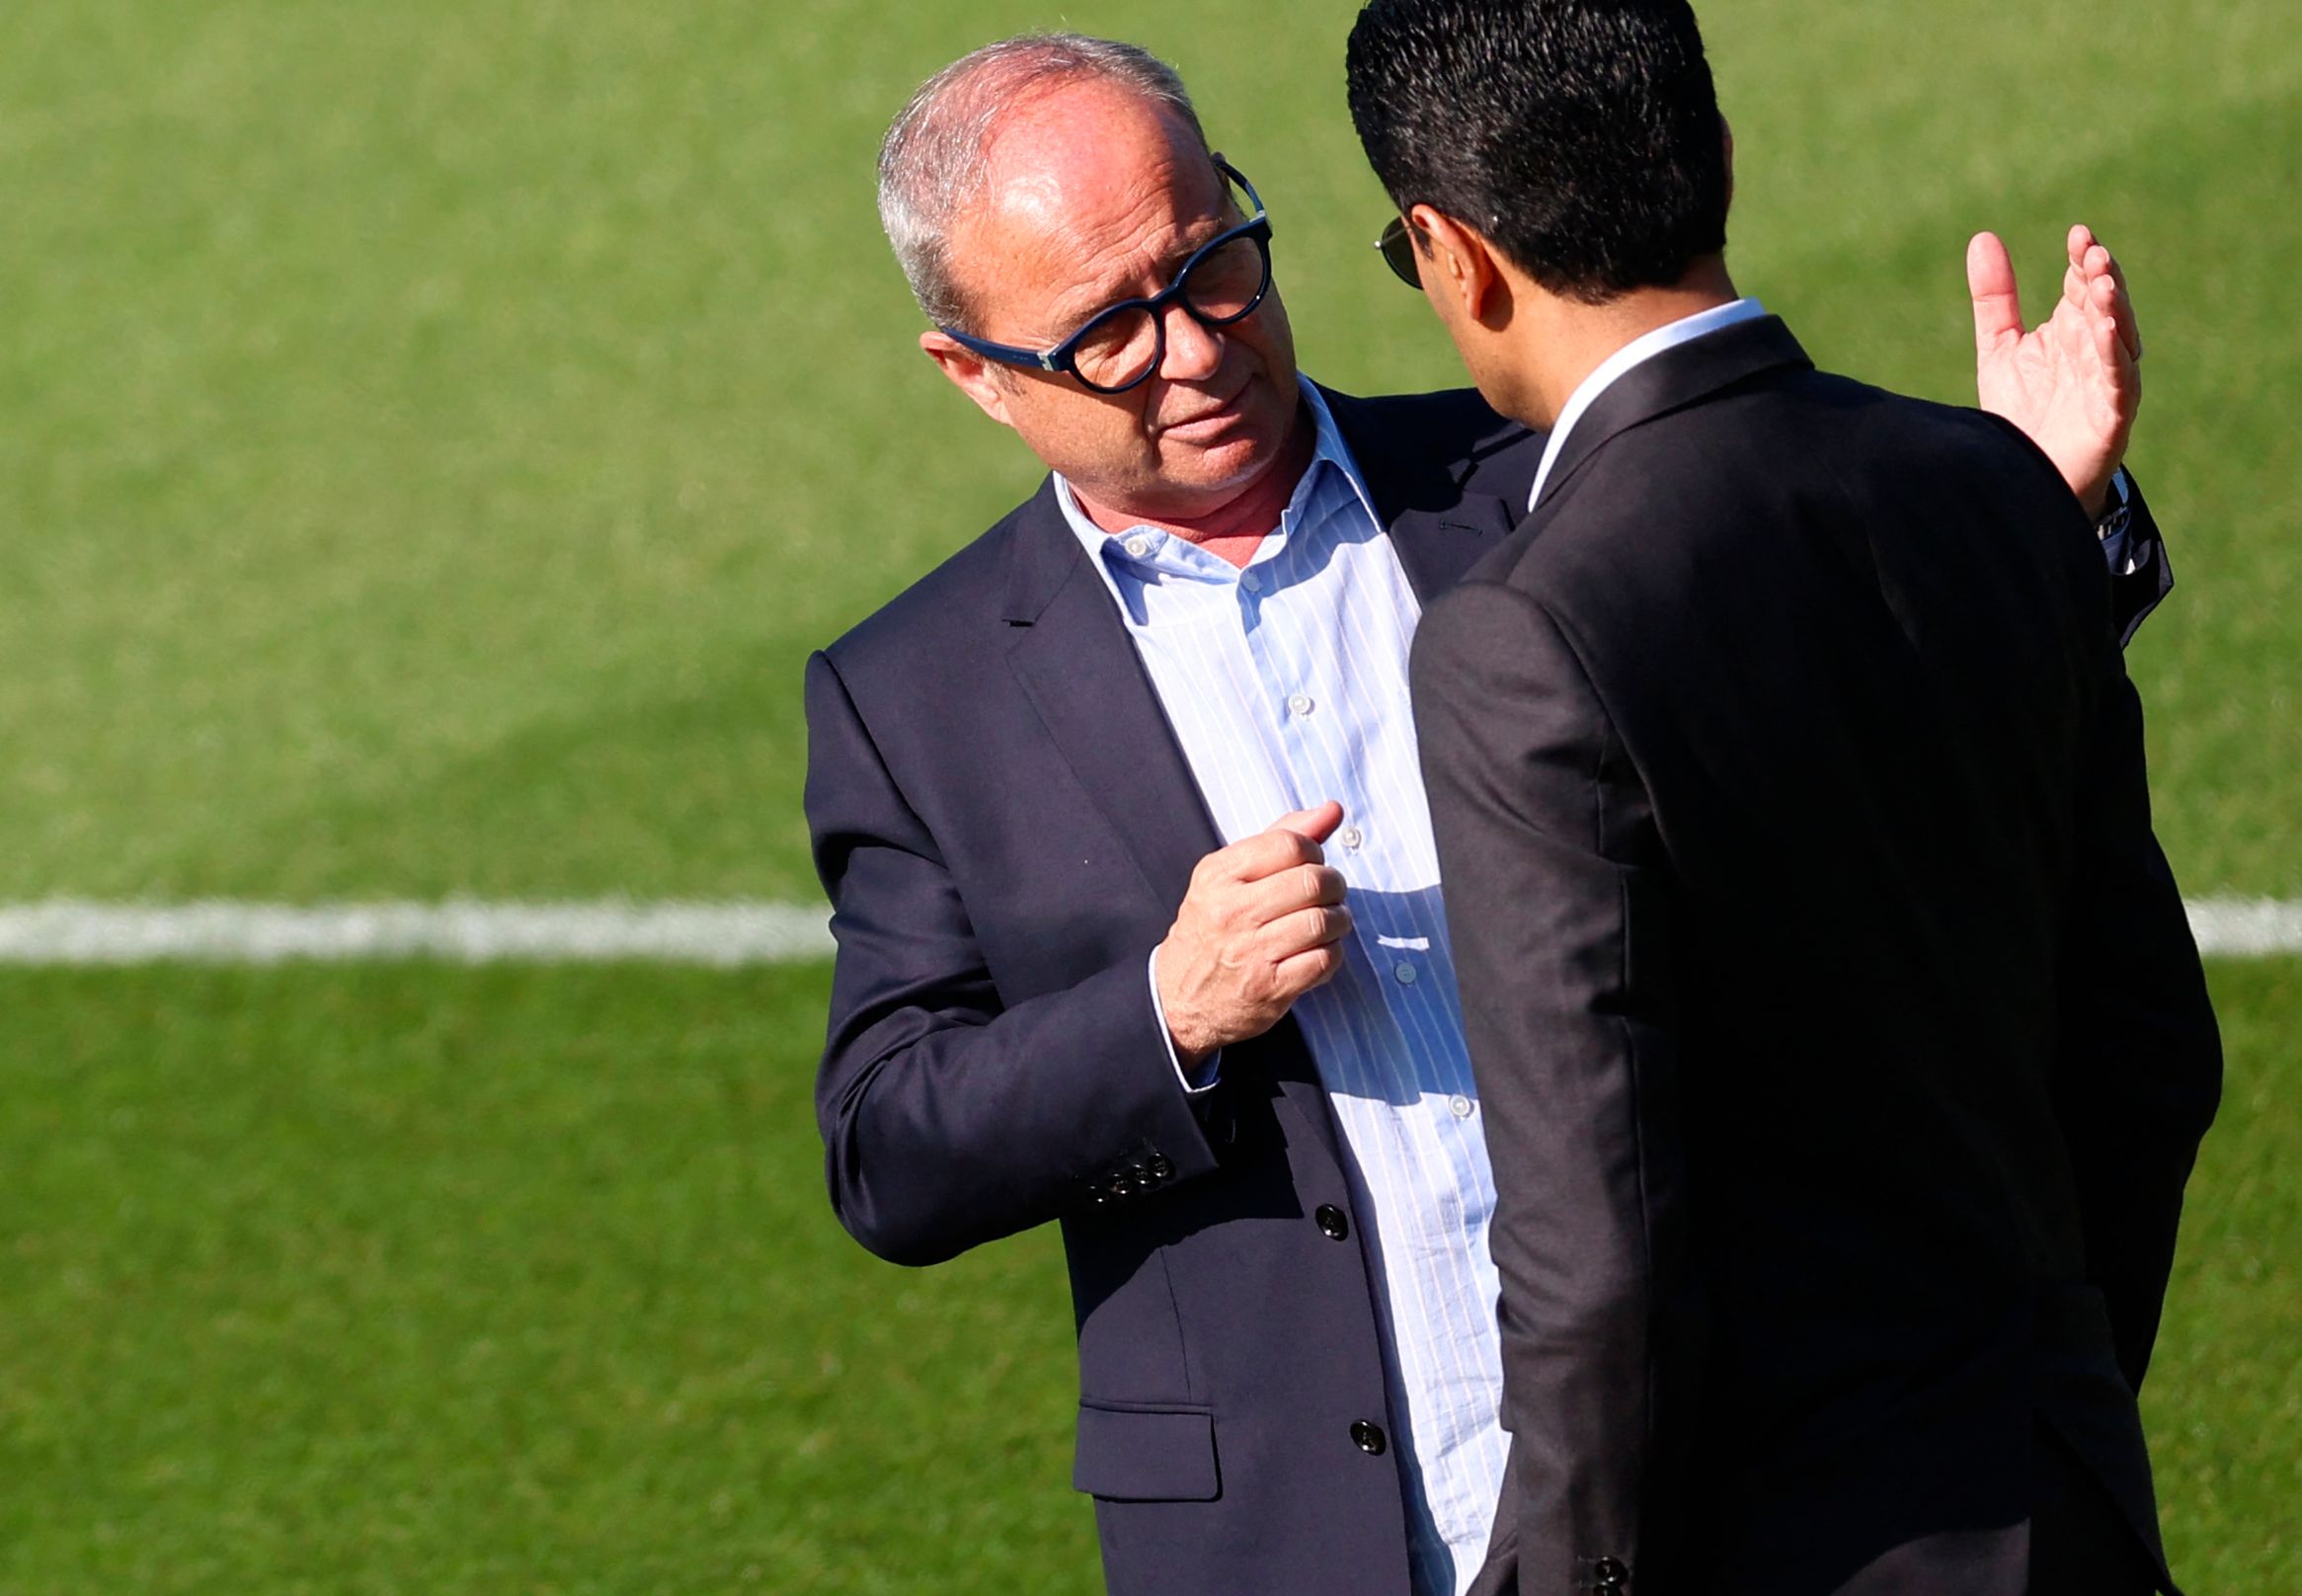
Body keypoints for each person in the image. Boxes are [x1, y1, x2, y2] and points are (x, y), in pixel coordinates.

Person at [806, 31, 2175, 1596]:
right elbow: (889, 1152)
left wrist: (2034, 521)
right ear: (971, 374)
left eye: (1213, 268)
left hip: (1739, 1486)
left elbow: (1904, 768)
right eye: (1108, 330)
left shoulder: (1550, 478)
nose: (1191, 346)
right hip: (1299, 1542)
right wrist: (1163, 1015)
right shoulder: (915, 693)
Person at [1345, 3, 2223, 1594]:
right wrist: (2045, 1413)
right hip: (2063, 1506)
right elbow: (2149, 1057)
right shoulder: (1994, 486)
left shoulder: (1520, 629)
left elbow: (1592, 1250)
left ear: (1446, 252)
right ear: (1718, 158)